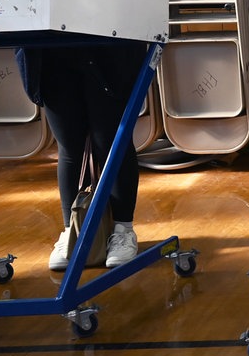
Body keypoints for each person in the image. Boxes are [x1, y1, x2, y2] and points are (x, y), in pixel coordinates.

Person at [19, 42, 151, 271]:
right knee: (70, 147)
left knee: (112, 144)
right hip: (50, 48)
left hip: (107, 43)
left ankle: (123, 230)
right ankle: (72, 230)